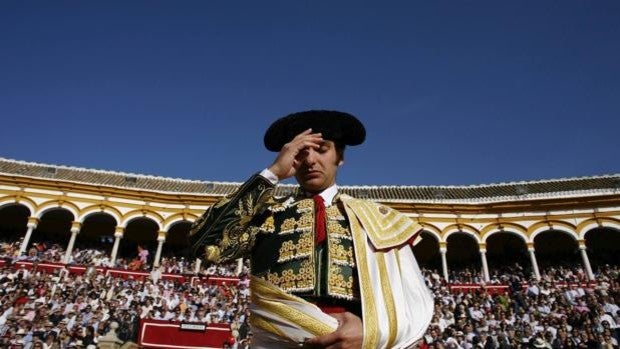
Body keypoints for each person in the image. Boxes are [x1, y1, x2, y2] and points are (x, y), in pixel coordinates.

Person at [189, 110, 434, 348]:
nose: (310, 160)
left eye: (321, 149)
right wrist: (272, 173)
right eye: (300, 151)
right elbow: (204, 243)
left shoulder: (374, 218)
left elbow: (409, 300)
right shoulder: (267, 216)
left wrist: (372, 330)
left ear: (340, 156)